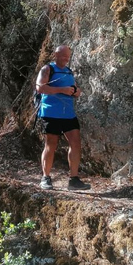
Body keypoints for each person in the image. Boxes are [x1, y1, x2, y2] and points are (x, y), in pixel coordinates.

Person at [35, 45, 90, 190]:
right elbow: (40, 87)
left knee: (76, 143)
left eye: (68, 56)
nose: (66, 59)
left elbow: (76, 91)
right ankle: (45, 178)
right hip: (51, 113)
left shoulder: (68, 72)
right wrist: (62, 90)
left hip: (68, 114)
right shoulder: (47, 69)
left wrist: (76, 92)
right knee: (51, 145)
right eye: (63, 56)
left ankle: (74, 179)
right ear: (55, 55)